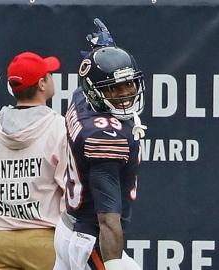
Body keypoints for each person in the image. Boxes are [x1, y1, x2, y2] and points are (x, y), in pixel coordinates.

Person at [53, 19, 146, 270]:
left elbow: (93, 74)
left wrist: (103, 50)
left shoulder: (82, 96)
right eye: (114, 88)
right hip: (91, 239)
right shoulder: (103, 137)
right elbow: (107, 220)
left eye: (129, 83)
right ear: (95, 91)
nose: (126, 92)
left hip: (70, 227)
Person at [0, 51, 67, 270]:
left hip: (1, 239)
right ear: (42, 84)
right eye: (49, 74)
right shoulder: (59, 128)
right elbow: (69, 190)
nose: (52, 78)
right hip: (45, 237)